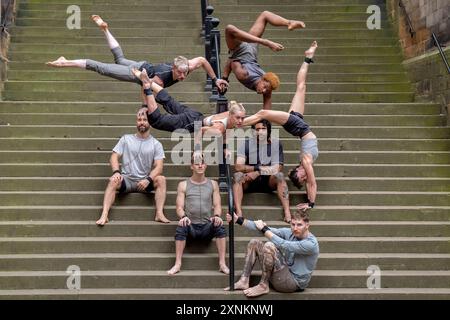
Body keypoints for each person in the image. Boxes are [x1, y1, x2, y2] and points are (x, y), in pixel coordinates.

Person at [46, 15, 228, 91]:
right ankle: (65, 61)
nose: (182, 76)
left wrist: (215, 79)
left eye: (184, 73)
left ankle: (105, 29)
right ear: (173, 68)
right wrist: (142, 81)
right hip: (139, 73)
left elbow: (203, 60)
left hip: (143, 65)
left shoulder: (188, 65)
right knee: (100, 68)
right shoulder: (162, 79)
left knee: (120, 58)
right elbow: (149, 88)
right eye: (179, 73)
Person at [242, 41, 318, 211]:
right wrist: (311, 203)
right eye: (301, 177)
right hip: (301, 127)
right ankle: (307, 58)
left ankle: (239, 123)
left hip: (299, 128)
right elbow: (311, 183)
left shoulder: (306, 163)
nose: (304, 175)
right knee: (300, 88)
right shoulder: (306, 164)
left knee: (265, 113)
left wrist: (310, 203)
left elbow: (310, 184)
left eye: (300, 176)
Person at [95, 110, 170, 226]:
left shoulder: (156, 144)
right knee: (112, 180)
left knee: (161, 179)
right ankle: (104, 215)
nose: (142, 123)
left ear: (150, 122)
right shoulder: (126, 139)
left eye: (145, 120)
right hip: (127, 180)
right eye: (139, 120)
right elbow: (114, 157)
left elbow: (159, 167)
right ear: (136, 122)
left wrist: (148, 180)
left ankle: (159, 214)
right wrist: (116, 172)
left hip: (144, 181)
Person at [223, 11, 306, 109]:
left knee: (265, 15)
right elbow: (231, 60)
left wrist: (265, 122)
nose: (263, 91)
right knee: (229, 29)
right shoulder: (243, 75)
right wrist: (224, 78)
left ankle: (289, 23)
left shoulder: (267, 85)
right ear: (263, 78)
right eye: (265, 88)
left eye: (266, 90)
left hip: (252, 53)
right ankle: (267, 41)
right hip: (240, 51)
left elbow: (267, 104)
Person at [226, 210, 319, 297]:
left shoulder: (311, 243)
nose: (295, 228)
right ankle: (244, 280)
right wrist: (238, 220)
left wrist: (264, 229)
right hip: (282, 273)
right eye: (293, 224)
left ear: (307, 225)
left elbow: (283, 244)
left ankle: (263, 285)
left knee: (269, 246)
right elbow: (266, 229)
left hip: (293, 283)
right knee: (254, 243)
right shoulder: (290, 232)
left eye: (299, 225)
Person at [133, 68, 245, 138]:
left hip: (195, 114)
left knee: (169, 100)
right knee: (156, 120)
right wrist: (197, 151)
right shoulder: (219, 129)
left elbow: (228, 128)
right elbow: (200, 131)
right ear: (231, 115)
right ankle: (147, 86)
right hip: (192, 123)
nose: (240, 121)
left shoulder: (230, 115)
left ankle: (145, 78)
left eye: (242, 118)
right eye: (239, 118)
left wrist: (225, 148)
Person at [167, 153, 229, 275]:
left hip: (207, 227)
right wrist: (183, 217)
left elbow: (217, 205)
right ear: (192, 166)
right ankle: (177, 264)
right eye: (196, 163)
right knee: (181, 225)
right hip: (191, 228)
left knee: (220, 225)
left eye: (202, 163)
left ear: (206, 166)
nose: (200, 165)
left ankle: (222, 264)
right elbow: (179, 207)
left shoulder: (213, 184)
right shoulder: (183, 184)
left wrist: (217, 216)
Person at [233, 119, 291, 223]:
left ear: (268, 130)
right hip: (249, 182)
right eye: (257, 129)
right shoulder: (246, 144)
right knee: (238, 176)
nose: (260, 131)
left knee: (280, 176)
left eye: (263, 129)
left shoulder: (276, 144)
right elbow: (238, 166)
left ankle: (287, 211)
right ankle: (239, 212)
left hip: (268, 181)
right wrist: (257, 168)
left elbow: (277, 168)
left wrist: (258, 172)